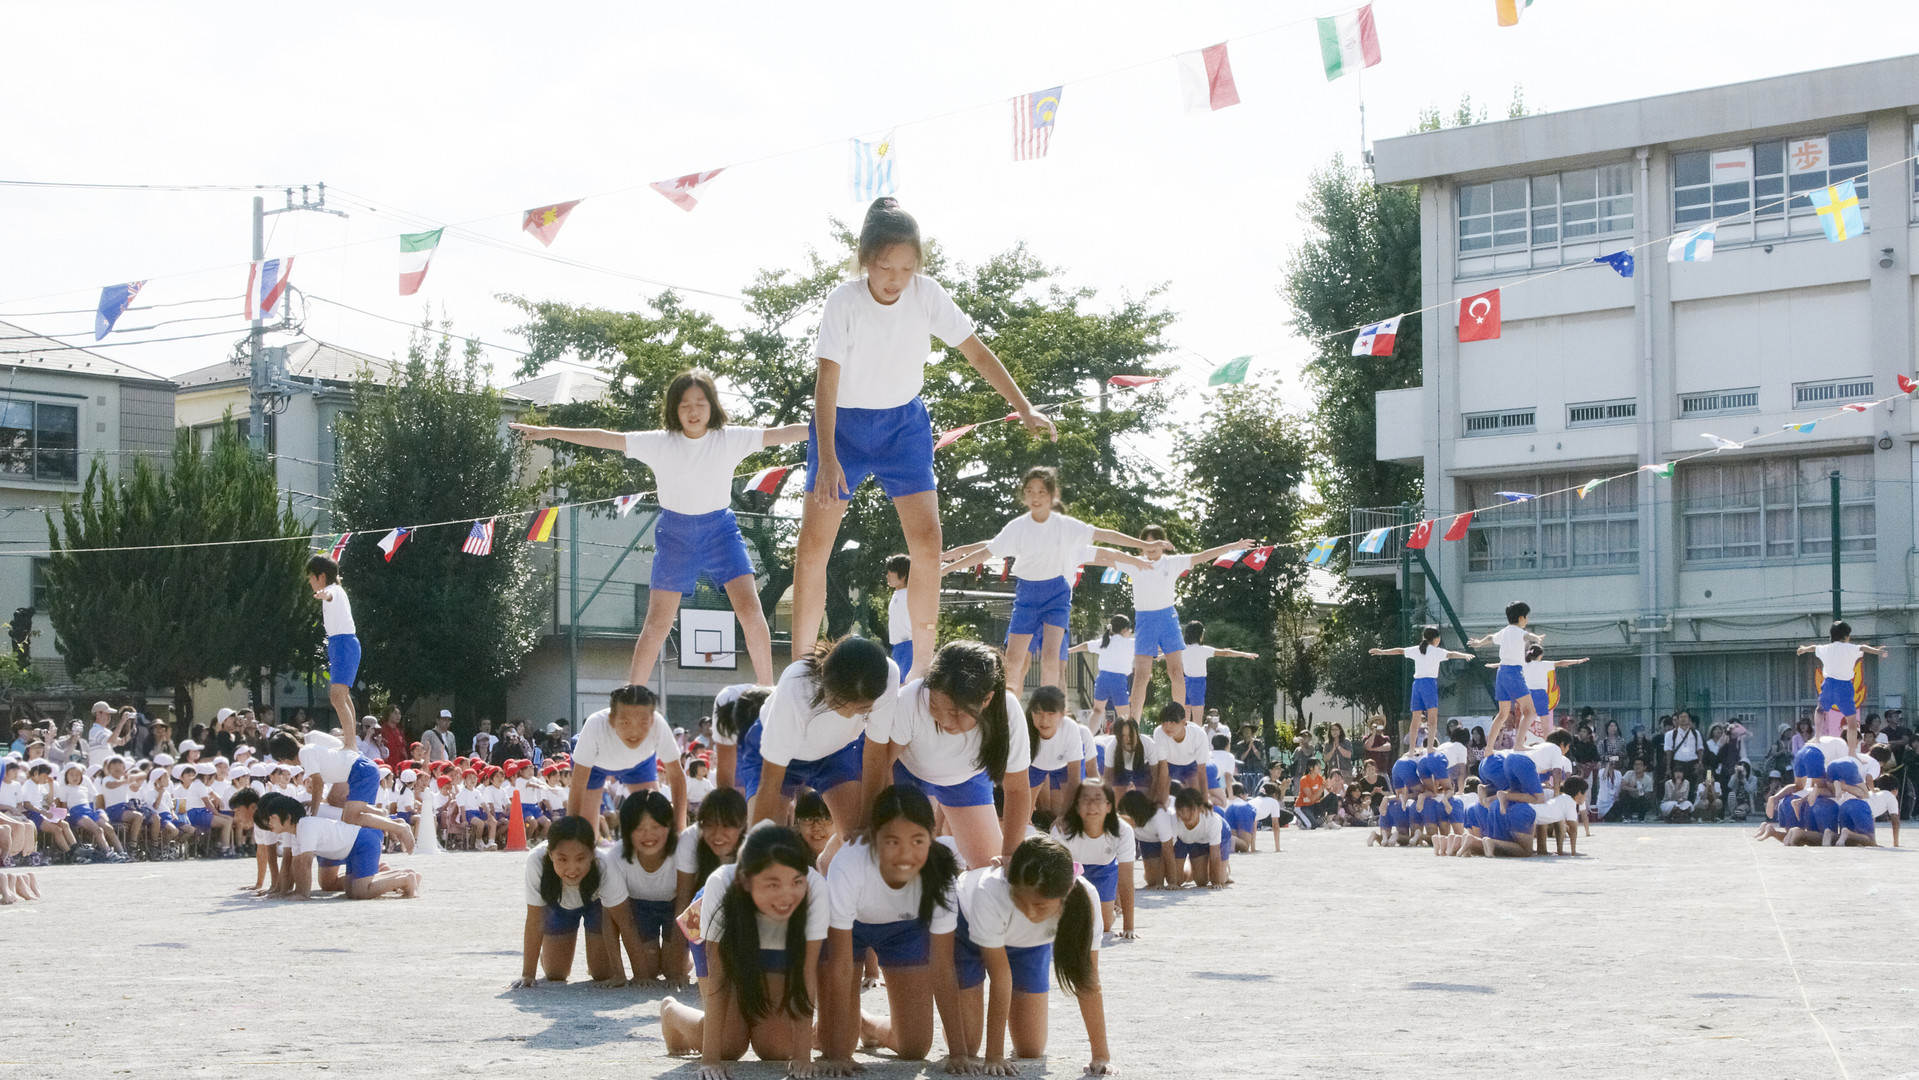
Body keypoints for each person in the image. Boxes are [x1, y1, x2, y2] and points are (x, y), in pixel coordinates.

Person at [791, 199, 1058, 686]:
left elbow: (976, 352)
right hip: (842, 429)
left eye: (907, 267)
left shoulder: (926, 294)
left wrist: (1023, 405)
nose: (895, 277)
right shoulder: (844, 301)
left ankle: (921, 668)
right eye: (885, 265)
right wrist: (827, 457)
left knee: (929, 542)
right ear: (866, 259)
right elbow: (826, 382)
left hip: (904, 427)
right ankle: (801, 667)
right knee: (813, 549)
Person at [512, 370, 808, 689]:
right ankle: (631, 694)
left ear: (712, 406)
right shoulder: (659, 443)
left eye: (700, 403)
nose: (693, 411)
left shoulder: (730, 438)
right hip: (675, 536)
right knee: (657, 623)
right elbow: (603, 437)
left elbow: (781, 433)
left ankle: (767, 690)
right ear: (673, 409)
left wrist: (825, 426)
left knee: (751, 610)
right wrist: (549, 432)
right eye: (684, 405)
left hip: (720, 531)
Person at [939, 467, 1151, 691]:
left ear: (1052, 495)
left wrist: (1142, 548)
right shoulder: (1018, 527)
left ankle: (1051, 713)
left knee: (1053, 661)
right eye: (1030, 491)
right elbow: (988, 548)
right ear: (1024, 495)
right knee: (1014, 662)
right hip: (1027, 596)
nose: (1036, 497)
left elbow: (1106, 542)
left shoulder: (1069, 532)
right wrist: (947, 567)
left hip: (1057, 594)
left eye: (1042, 492)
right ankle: (1009, 712)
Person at [820, 785, 967, 1072]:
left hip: (903, 931)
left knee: (914, 1048)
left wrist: (958, 1053)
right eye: (892, 842)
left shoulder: (941, 871)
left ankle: (866, 1023)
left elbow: (943, 966)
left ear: (932, 837)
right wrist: (838, 1054)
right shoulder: (848, 864)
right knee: (833, 1047)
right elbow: (839, 965)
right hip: (847, 931)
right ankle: (840, 1028)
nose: (905, 854)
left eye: (917, 841)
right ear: (873, 838)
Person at [661, 824, 828, 1076]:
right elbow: (718, 975)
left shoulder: (815, 886)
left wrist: (803, 1057)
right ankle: (671, 1012)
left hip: (776, 939)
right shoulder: (720, 884)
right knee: (729, 1045)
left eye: (793, 881)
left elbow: (806, 973)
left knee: (776, 1049)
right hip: (726, 939)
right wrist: (710, 1060)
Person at [950, 834, 1111, 1074]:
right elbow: (1000, 977)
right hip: (966, 928)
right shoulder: (990, 890)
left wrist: (1101, 1056)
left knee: (1030, 1048)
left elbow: (1088, 980)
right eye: (1019, 900)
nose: (1028, 914)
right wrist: (994, 1056)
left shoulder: (1086, 897)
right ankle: (872, 1025)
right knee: (968, 1047)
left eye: (1039, 906)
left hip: (1027, 945)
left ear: (1068, 890)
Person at [871, 640, 1033, 868]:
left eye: (955, 712)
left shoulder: (1008, 711)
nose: (944, 720)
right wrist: (885, 821)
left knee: (991, 868)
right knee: (888, 856)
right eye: (935, 707)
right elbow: (881, 765)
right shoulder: (912, 698)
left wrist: (1010, 856)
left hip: (965, 779)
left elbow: (1016, 789)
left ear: (986, 699)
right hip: (905, 773)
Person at [739, 638, 896, 847]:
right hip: (778, 757)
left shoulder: (887, 676)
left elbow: (875, 753)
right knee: (766, 842)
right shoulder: (796, 685)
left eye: (862, 709)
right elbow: (770, 782)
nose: (849, 715)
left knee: (859, 842)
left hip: (838, 751)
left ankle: (826, 867)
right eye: (841, 704)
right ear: (824, 678)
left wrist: (866, 824)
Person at [1115, 527, 1256, 724]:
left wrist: (1234, 546)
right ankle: (1134, 723)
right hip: (1145, 620)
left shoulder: (1171, 563)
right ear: (1142, 546)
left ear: (1164, 545)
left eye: (1156, 544)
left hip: (1167, 618)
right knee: (1142, 675)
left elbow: (1203, 556)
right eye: (1148, 544)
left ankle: (1179, 719)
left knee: (1175, 671)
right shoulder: (1134, 563)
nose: (1152, 549)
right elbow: (1102, 557)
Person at [510, 815, 632, 987]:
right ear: (550, 854)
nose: (572, 869)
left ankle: (596, 959)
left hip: (596, 905)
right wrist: (528, 975)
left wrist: (622, 974)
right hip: (559, 906)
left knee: (603, 973)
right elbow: (534, 919)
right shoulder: (536, 860)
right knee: (556, 973)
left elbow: (624, 921)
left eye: (581, 859)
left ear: (591, 854)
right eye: (562, 859)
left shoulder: (603, 864)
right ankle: (550, 951)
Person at [567, 684, 688, 833]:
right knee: (585, 832)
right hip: (594, 767)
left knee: (656, 821)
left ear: (651, 721)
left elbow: (676, 776)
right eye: (625, 723)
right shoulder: (595, 725)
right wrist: (571, 834)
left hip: (639, 764)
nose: (634, 732)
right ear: (611, 720)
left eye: (643, 723)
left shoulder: (659, 726)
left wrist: (680, 830)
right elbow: (578, 785)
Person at [257, 792, 418, 900]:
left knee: (361, 892)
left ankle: (405, 880)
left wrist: (302, 894)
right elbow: (296, 864)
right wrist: (288, 891)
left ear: (287, 818)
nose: (269, 823)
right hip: (353, 847)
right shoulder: (296, 832)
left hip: (362, 842)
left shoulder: (305, 827)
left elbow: (306, 865)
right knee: (350, 889)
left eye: (272, 818)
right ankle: (406, 872)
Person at [1048, 778, 1136, 938]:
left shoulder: (1123, 831)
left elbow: (1126, 878)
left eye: (1098, 800)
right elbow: (1055, 875)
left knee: (1104, 925)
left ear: (1109, 806)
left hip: (1104, 869)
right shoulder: (1062, 830)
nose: (1091, 806)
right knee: (1068, 923)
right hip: (1071, 872)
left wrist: (1129, 927)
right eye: (1085, 800)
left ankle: (1112, 910)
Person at [1371, 627, 1473, 747]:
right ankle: (1430, 747)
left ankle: (1411, 750)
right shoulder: (1436, 651)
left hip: (1417, 684)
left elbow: (1399, 650)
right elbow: (1450, 654)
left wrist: (1382, 652)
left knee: (1415, 720)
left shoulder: (1417, 649)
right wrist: (1464, 655)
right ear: (1436, 639)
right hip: (1429, 683)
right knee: (1432, 718)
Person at [1467, 601, 1542, 752]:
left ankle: (1488, 747)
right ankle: (1519, 744)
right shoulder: (1519, 632)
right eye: (1526, 617)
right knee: (1530, 711)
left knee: (1502, 714)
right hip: (1514, 673)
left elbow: (1489, 638)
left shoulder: (1504, 631)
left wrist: (1478, 643)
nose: (1527, 620)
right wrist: (1537, 638)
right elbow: (1528, 636)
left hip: (1501, 673)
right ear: (1521, 618)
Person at [1798, 620, 1889, 741]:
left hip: (1829, 683)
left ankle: (1817, 737)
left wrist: (1803, 649)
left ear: (1832, 636)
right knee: (1851, 722)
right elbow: (1863, 647)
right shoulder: (1850, 648)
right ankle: (1852, 751)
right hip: (1845, 685)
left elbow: (1813, 648)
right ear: (1846, 636)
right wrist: (1877, 651)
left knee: (1820, 710)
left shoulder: (1826, 648)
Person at [306, 555, 362, 737]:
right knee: (343, 696)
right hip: (340, 644)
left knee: (336, 697)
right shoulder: (336, 589)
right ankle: (351, 739)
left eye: (311, 578)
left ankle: (351, 742)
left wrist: (325, 595)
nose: (309, 582)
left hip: (343, 644)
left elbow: (330, 595)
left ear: (321, 576)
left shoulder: (333, 590)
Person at [1025, 685, 1095, 819]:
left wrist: (1065, 818)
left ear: (1062, 713)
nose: (1044, 720)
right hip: (1034, 767)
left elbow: (1074, 782)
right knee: (1024, 815)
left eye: (1051, 714)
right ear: (1031, 713)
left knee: (1070, 813)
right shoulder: (1024, 731)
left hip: (1064, 766)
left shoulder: (1070, 728)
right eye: (1038, 713)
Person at [1069, 615, 1136, 725]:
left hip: (1102, 678)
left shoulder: (1104, 641)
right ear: (1125, 629)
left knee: (1097, 711)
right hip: (1119, 680)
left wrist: (1068, 651)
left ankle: (1088, 738)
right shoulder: (1131, 643)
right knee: (1124, 716)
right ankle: (1124, 741)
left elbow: (1085, 645)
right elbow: (1153, 648)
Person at [883, 553, 914, 676]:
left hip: (908, 645)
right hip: (897, 646)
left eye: (892, 572)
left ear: (903, 574)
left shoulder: (909, 595)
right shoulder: (898, 593)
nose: (887, 575)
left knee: (904, 683)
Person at [1664, 712, 1703, 784]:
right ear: (1678, 720)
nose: (1683, 719)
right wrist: (1668, 768)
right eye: (1681, 717)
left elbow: (1700, 749)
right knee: (1678, 786)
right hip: (1678, 764)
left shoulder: (1696, 733)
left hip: (1692, 764)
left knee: (1692, 788)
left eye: (1685, 717)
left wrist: (1700, 763)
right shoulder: (1670, 734)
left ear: (1689, 719)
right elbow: (1668, 752)